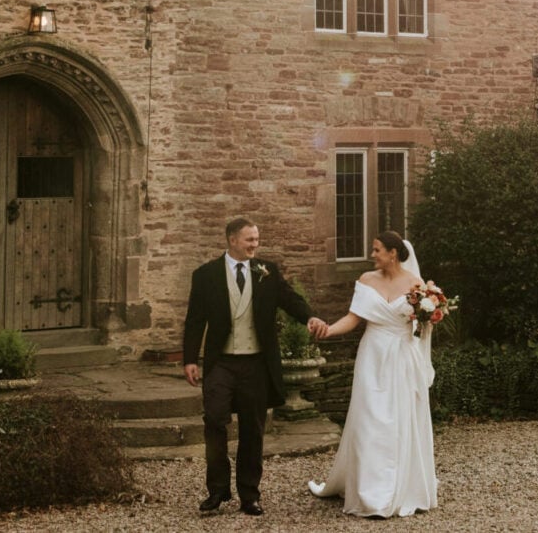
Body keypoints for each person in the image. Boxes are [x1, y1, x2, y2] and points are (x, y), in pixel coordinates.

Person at [182, 218, 326, 516]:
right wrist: (190, 359)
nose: (255, 245)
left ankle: (249, 495)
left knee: (253, 429)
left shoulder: (266, 271)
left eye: (257, 239)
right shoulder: (206, 275)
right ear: (232, 240)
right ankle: (217, 490)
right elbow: (195, 320)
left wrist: (309, 317)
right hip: (221, 362)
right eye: (249, 239)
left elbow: (290, 299)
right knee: (214, 420)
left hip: (256, 363)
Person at [308, 231, 438, 518]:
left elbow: (421, 327)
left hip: (402, 358)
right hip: (372, 355)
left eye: (377, 250)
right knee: (369, 419)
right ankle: (370, 494)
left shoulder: (416, 284)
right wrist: (328, 330)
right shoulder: (366, 280)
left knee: (399, 420)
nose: (372, 254)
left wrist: (430, 316)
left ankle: (400, 488)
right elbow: (353, 318)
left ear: (393, 253)